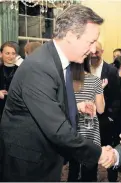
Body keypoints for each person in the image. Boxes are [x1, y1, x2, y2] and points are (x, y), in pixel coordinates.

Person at [0, 5, 114, 181]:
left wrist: (76, 107)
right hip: (28, 164)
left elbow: (49, 105)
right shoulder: (40, 67)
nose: (93, 50)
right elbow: (57, 129)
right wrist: (98, 153)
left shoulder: (56, 60)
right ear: (69, 35)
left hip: (45, 156)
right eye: (90, 42)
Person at [67, 57, 107, 182]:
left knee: (73, 167)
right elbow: (101, 110)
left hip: (72, 128)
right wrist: (101, 91)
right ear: (87, 62)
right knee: (90, 167)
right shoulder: (95, 80)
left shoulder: (65, 80)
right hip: (90, 127)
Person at [90, 42, 121, 182]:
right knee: (90, 152)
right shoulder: (83, 68)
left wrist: (110, 117)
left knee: (109, 150)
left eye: (97, 52)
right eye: (92, 52)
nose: (94, 54)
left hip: (105, 118)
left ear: (102, 52)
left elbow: (116, 97)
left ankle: (112, 179)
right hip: (88, 118)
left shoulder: (111, 71)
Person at [0, 42, 18, 120]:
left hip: (16, 110)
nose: (11, 56)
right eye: (7, 53)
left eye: (13, 53)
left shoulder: (21, 70)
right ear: (1, 54)